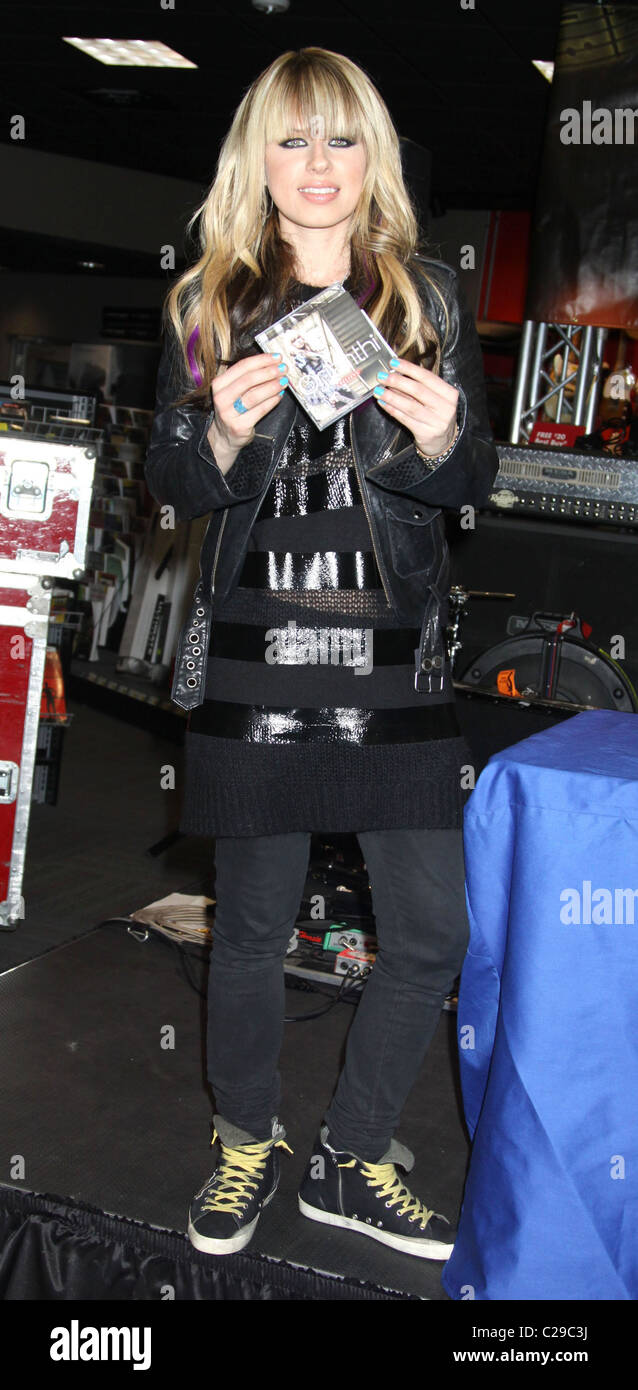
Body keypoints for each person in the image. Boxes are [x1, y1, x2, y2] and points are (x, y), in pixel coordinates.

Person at [144, 47, 499, 1264]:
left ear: (371, 157)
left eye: (338, 139)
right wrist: (221, 435)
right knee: (245, 925)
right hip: (252, 663)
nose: (315, 165)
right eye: (291, 140)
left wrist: (443, 441)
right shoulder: (205, 303)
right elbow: (168, 478)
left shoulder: (429, 298)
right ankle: (249, 1138)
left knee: (432, 933)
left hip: (392, 659)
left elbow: (470, 483)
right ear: (259, 155)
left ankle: (349, 1155)